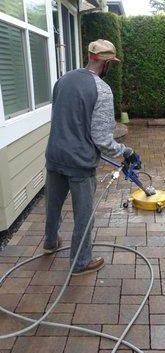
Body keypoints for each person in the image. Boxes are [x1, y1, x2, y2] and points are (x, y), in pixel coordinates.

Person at [43, 39, 138, 276]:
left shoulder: (63, 80)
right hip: (79, 164)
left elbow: (63, 117)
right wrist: (125, 151)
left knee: (52, 205)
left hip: (54, 155)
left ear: (90, 57)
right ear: (106, 63)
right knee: (83, 215)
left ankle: (50, 242)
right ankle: (80, 262)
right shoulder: (102, 90)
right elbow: (102, 140)